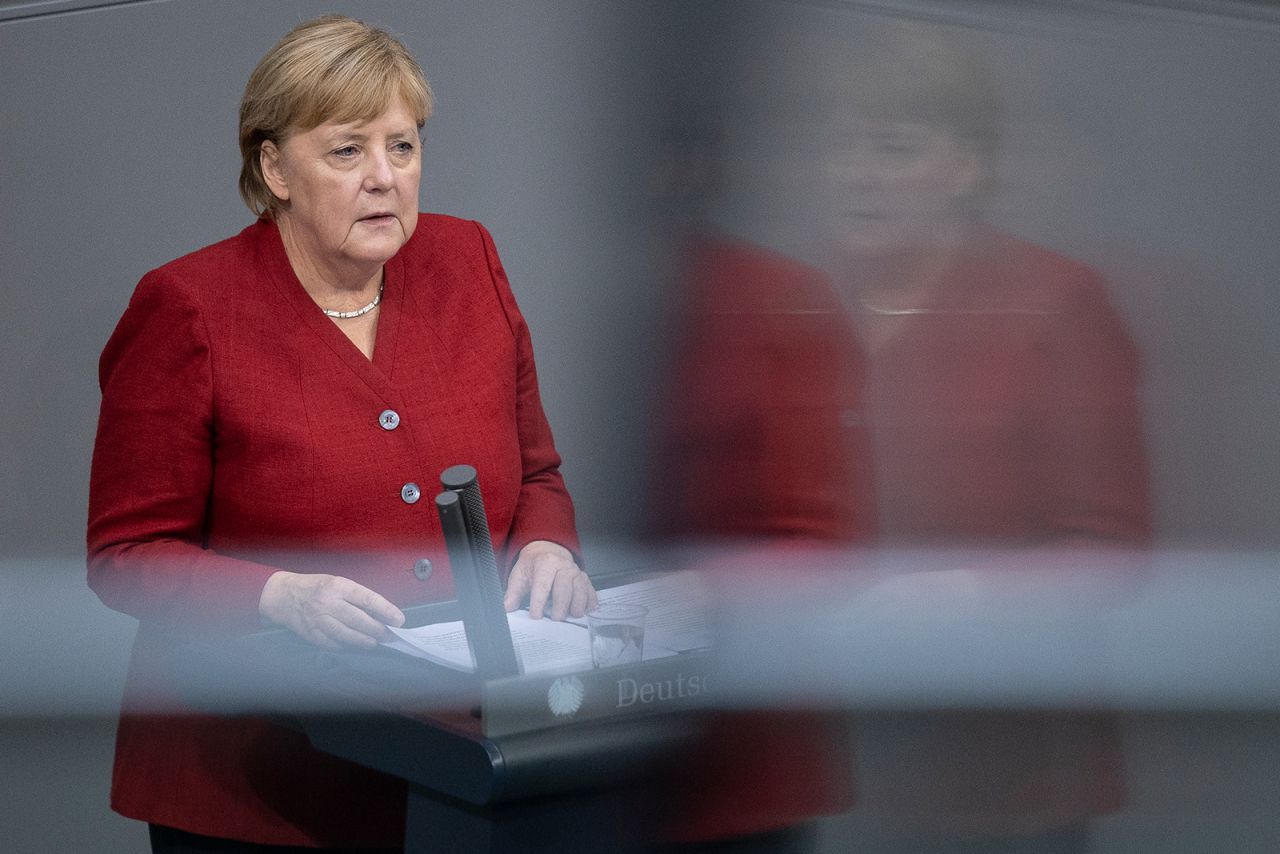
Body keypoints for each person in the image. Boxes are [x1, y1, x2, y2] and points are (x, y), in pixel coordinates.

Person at [86, 15, 595, 852]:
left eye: (402, 146)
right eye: (347, 151)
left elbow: (538, 476)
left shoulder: (469, 260)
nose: (385, 179)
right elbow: (126, 554)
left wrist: (548, 547)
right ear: (274, 167)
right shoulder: (187, 308)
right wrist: (275, 597)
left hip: (460, 769)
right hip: (257, 786)